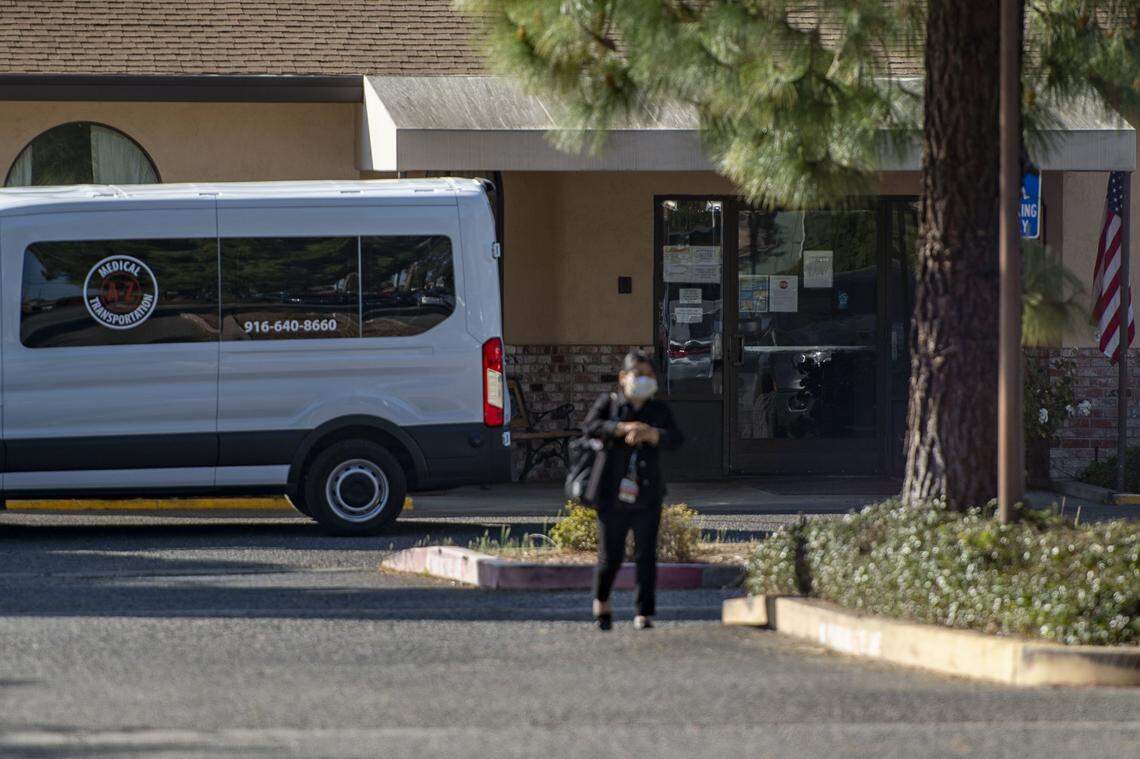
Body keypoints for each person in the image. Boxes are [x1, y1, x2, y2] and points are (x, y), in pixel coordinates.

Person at [582, 349, 683, 631]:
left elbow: (677, 439)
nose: (645, 380)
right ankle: (601, 603)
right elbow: (590, 427)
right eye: (639, 375)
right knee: (610, 555)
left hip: (647, 493)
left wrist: (653, 434)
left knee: (646, 554)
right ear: (623, 377)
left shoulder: (659, 410)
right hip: (611, 494)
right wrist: (621, 428)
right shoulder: (610, 403)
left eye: (650, 375)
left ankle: (644, 612)